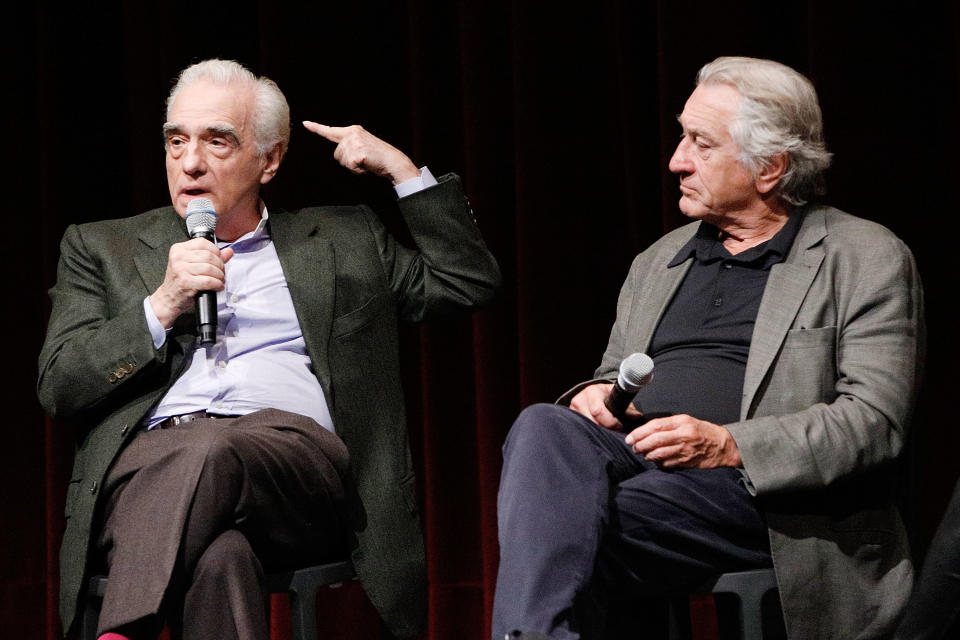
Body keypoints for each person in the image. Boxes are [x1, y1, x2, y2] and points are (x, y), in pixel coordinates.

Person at [37, 59, 500, 640]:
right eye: (176, 141)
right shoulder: (101, 246)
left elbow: (466, 283)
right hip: (147, 472)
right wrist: (161, 305)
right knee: (220, 559)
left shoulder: (343, 238)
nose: (190, 162)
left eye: (217, 141)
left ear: (270, 159)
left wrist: (402, 172)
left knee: (215, 445)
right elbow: (60, 384)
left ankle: (122, 632)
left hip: (294, 470)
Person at [492, 56, 924, 640]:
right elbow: (615, 371)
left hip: (765, 493)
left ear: (770, 167)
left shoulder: (862, 256)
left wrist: (728, 444)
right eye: (681, 136)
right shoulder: (658, 261)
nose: (676, 160)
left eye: (701, 143)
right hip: (641, 458)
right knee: (545, 426)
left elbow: (874, 423)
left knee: (559, 528)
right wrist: (599, 396)